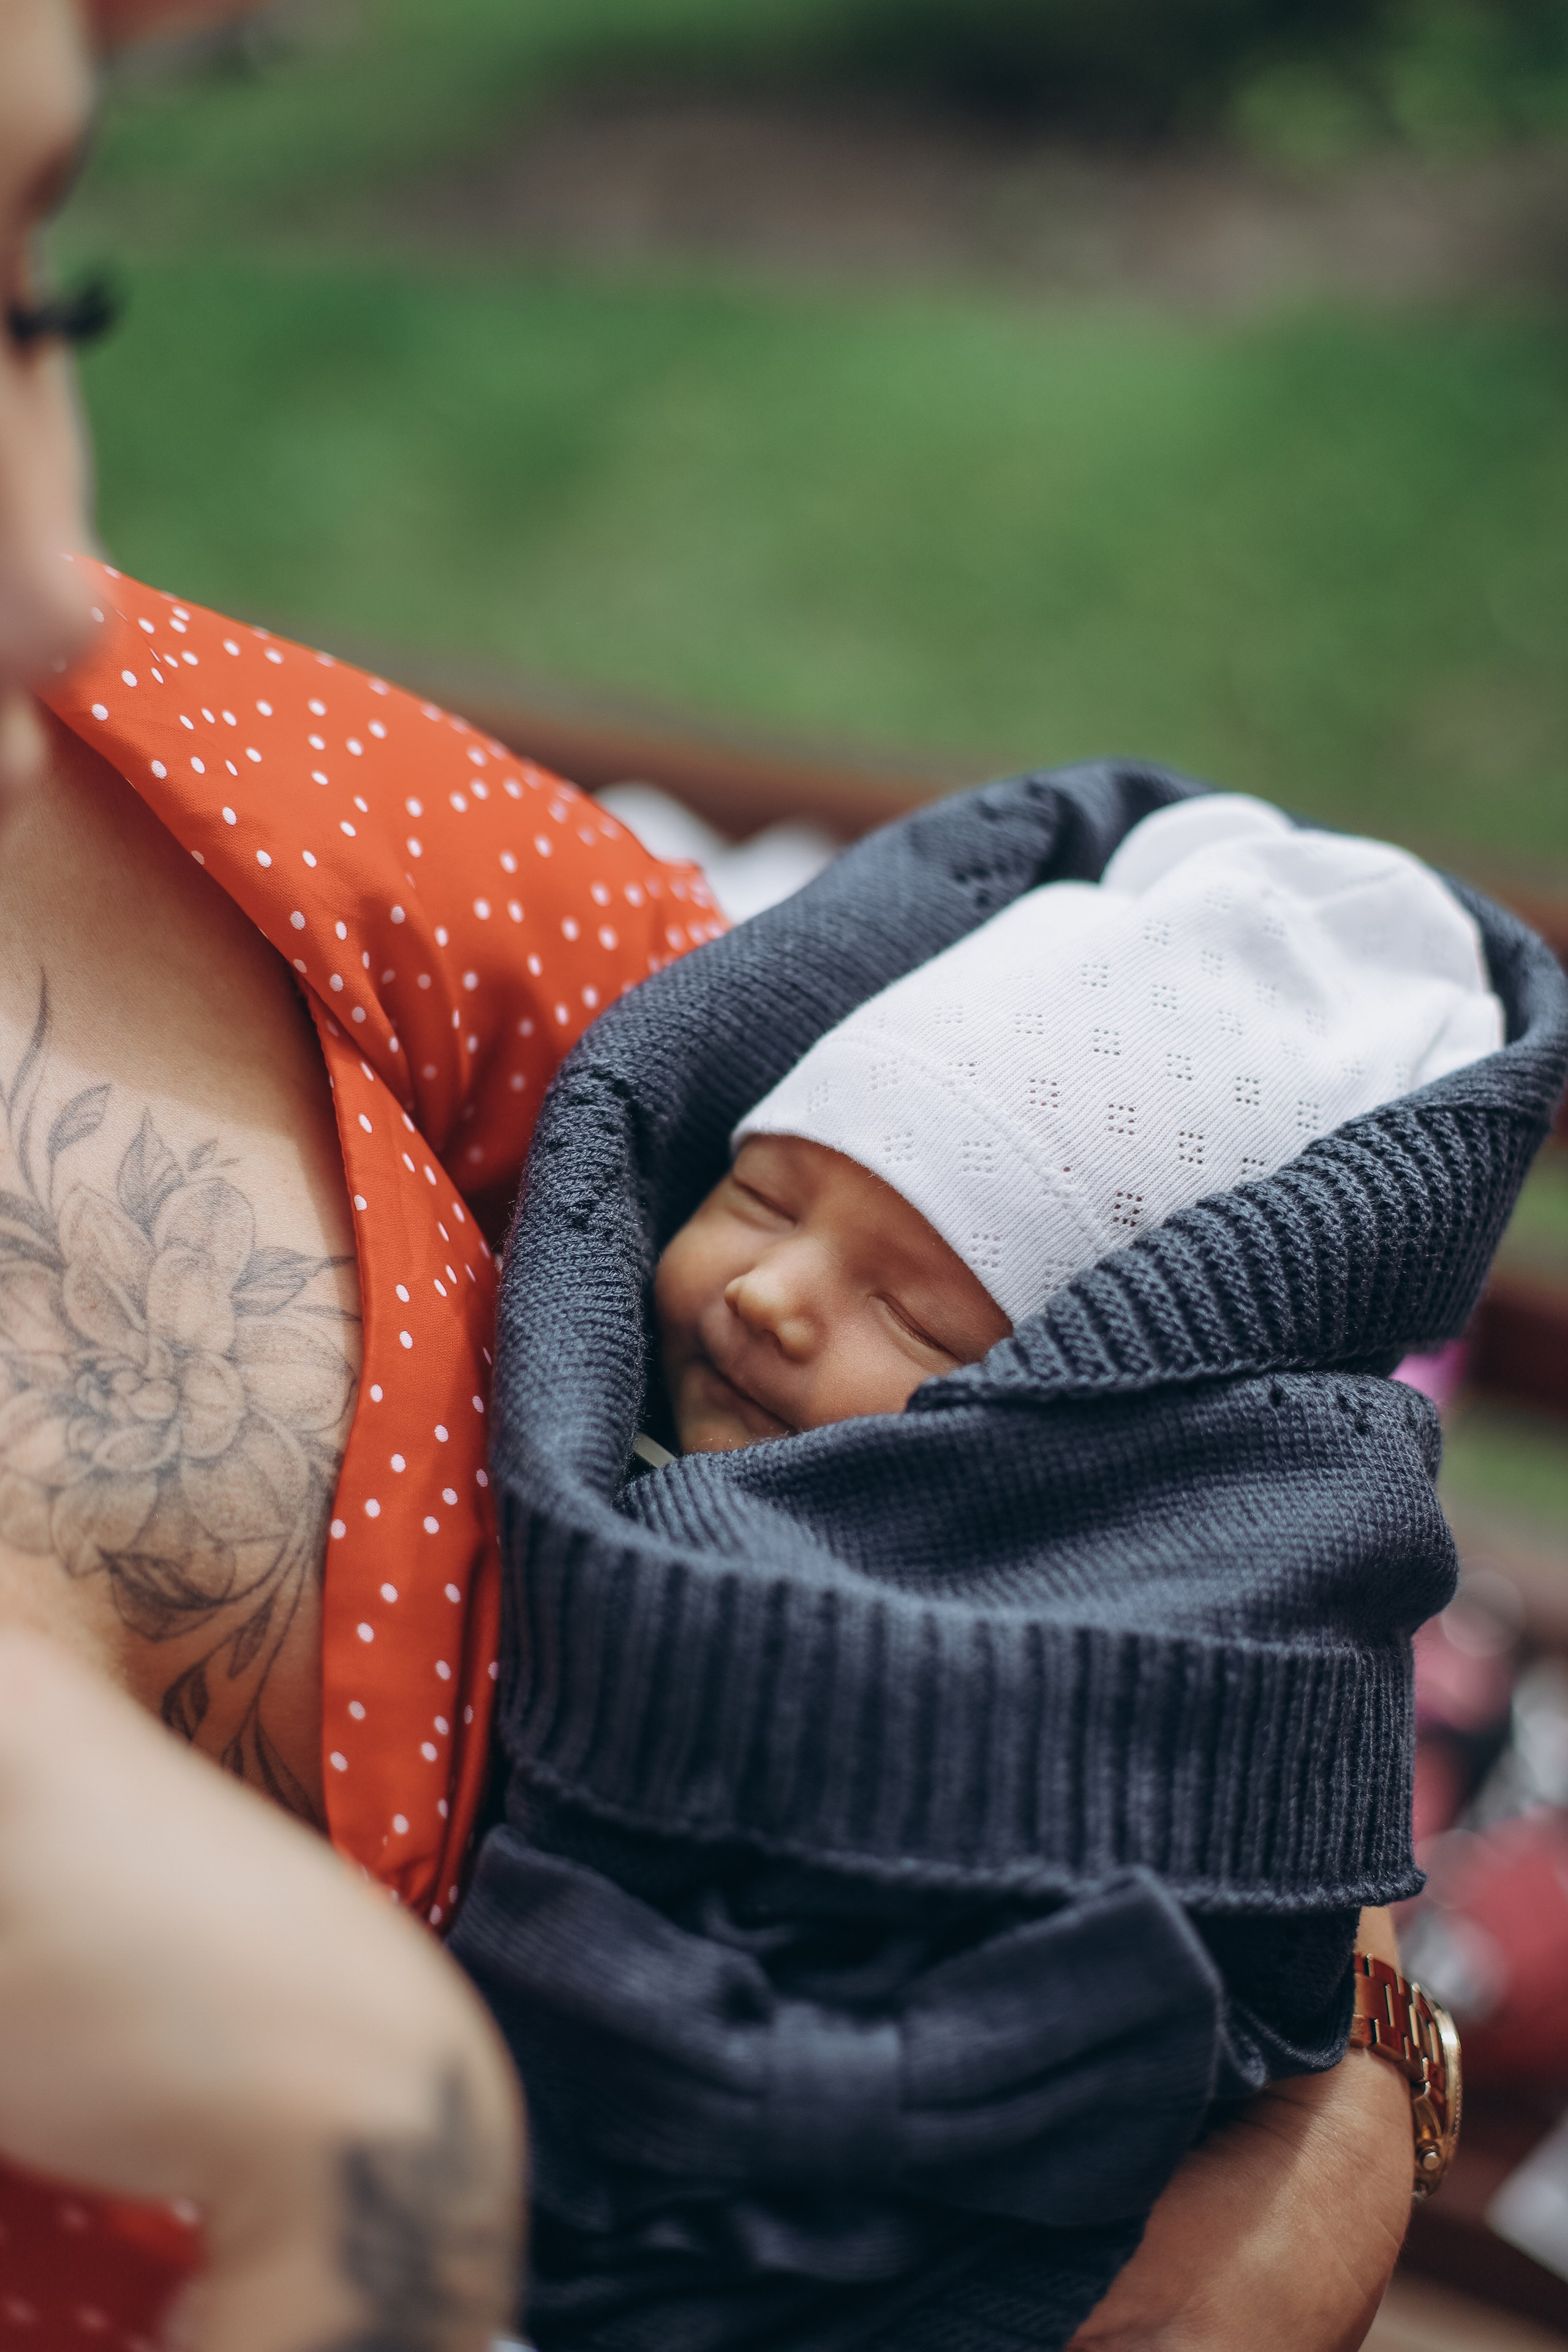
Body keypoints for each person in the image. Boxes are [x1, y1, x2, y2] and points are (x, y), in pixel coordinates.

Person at [0, 1, 1425, 2345]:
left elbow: (1105, 1328)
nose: (55, 572)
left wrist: (1331, 2105)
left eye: (42, 304)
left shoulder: (222, 799)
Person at [454, 763, 1566, 2347]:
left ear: (1059, 1422)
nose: (773, 1296)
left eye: (915, 1311)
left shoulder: (1139, 1649)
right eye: (760, 1195)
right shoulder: (587, 1417)